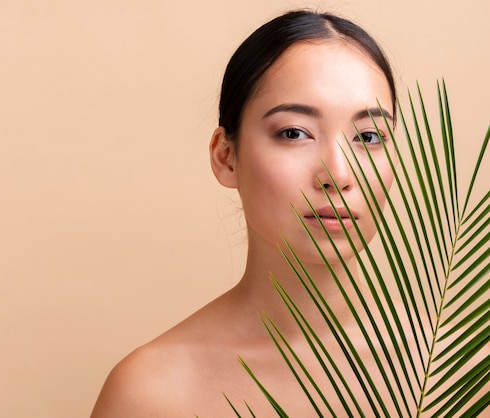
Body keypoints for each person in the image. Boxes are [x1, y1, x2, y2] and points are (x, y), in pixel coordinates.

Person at [91, 10, 400, 416]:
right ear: (226, 156)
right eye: (294, 133)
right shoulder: (152, 393)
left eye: (369, 136)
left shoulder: (459, 369)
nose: (338, 174)